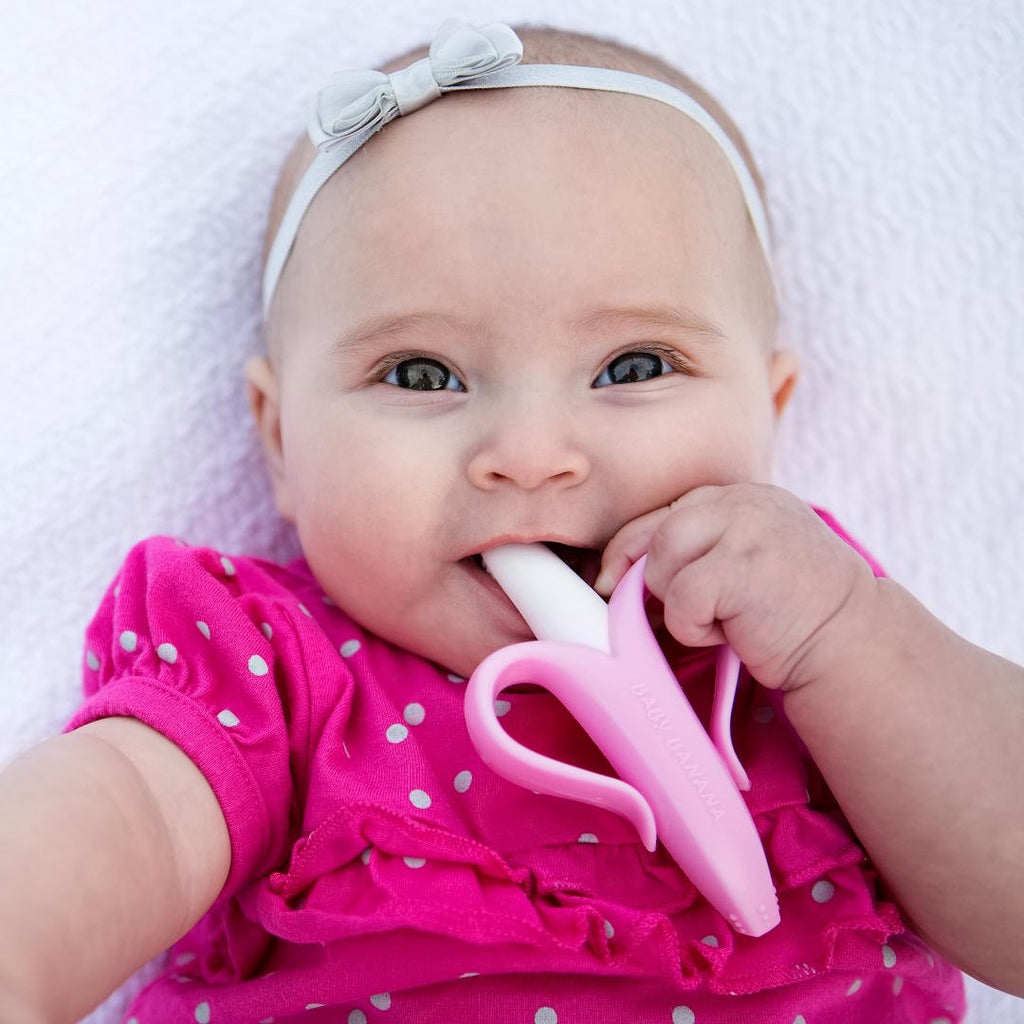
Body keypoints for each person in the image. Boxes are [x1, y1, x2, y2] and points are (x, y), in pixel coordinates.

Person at [1, 17, 1021, 1023]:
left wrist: (847, 634)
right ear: (278, 441)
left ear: (770, 408)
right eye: (420, 373)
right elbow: (124, 820)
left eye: (632, 368)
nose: (531, 453)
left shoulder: (808, 649)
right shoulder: (272, 669)